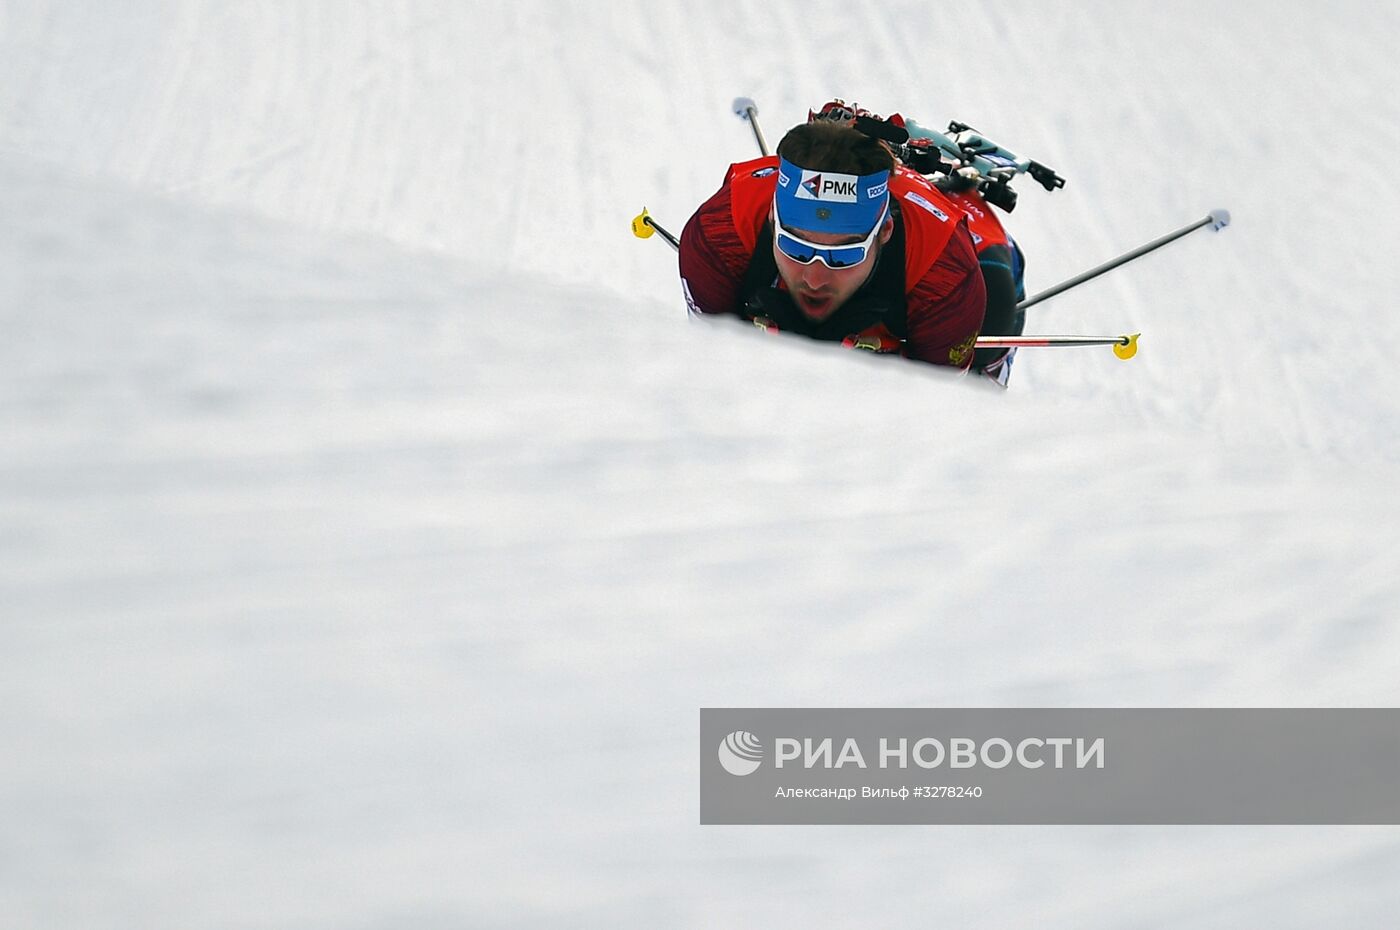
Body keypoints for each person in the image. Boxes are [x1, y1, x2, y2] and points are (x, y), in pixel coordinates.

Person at [678, 117, 987, 371]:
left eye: (844, 256)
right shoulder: (721, 230)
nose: (814, 279)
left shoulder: (944, 267)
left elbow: (935, 418)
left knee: (995, 286)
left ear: (885, 231)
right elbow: (711, 376)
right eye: (795, 248)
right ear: (773, 220)